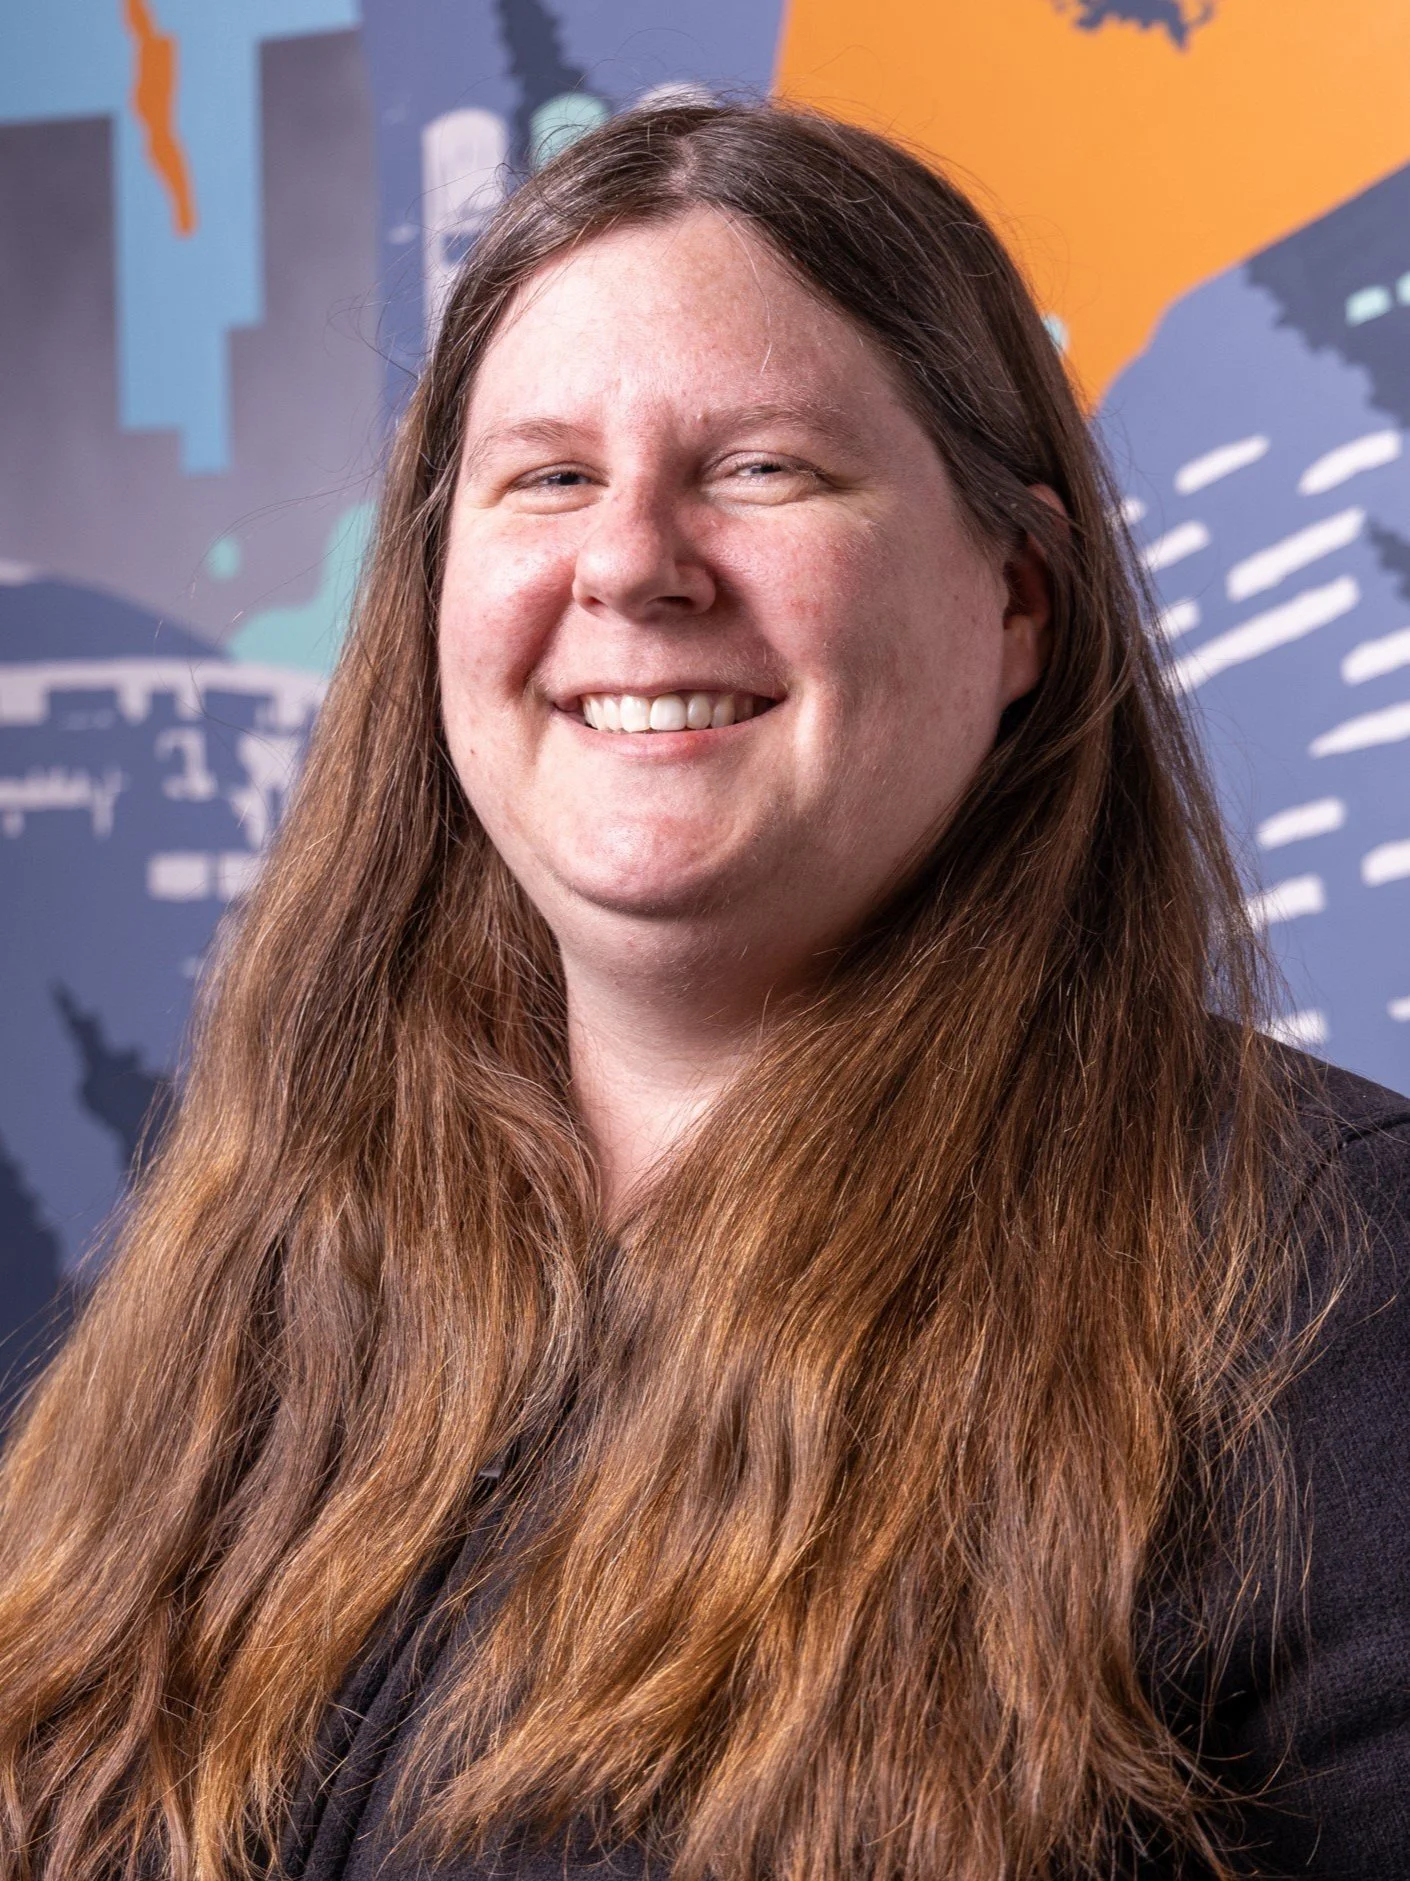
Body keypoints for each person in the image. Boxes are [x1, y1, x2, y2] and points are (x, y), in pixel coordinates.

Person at [0, 101, 1406, 1881]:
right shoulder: (249, 1251)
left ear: (1020, 600)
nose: (630, 563)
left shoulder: (1328, 1288)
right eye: (548, 477)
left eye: (761, 469)